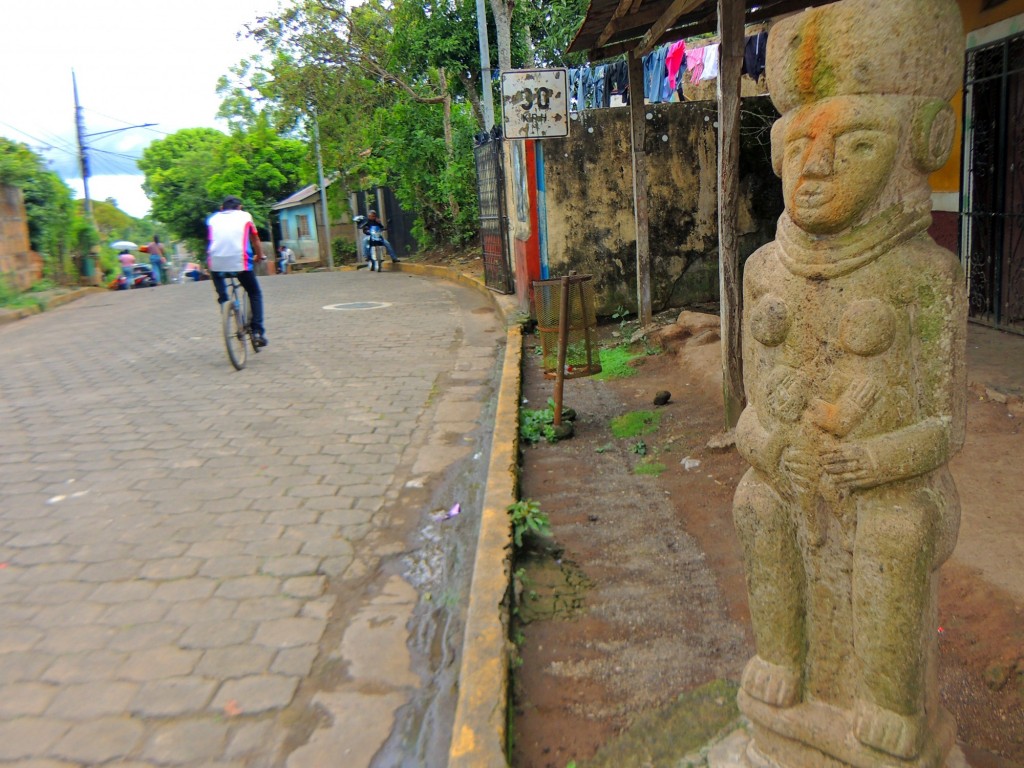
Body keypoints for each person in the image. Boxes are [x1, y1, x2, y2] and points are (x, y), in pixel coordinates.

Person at [207, 195, 267, 347]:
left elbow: (212, 241)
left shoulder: (213, 219)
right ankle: (257, 331)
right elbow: (255, 240)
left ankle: (225, 305)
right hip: (240, 262)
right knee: (254, 292)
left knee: (220, 287)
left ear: (222, 208)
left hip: (216, 262)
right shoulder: (245, 216)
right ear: (239, 207)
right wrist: (260, 256)